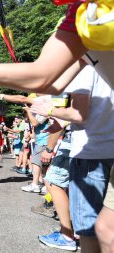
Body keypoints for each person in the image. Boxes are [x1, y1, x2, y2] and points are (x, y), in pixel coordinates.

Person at [30, 65, 114, 253]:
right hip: (107, 149)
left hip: (91, 153)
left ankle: (67, 236)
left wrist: (49, 110)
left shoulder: (86, 68)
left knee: (89, 230)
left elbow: (78, 114)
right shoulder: (108, 62)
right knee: (107, 226)